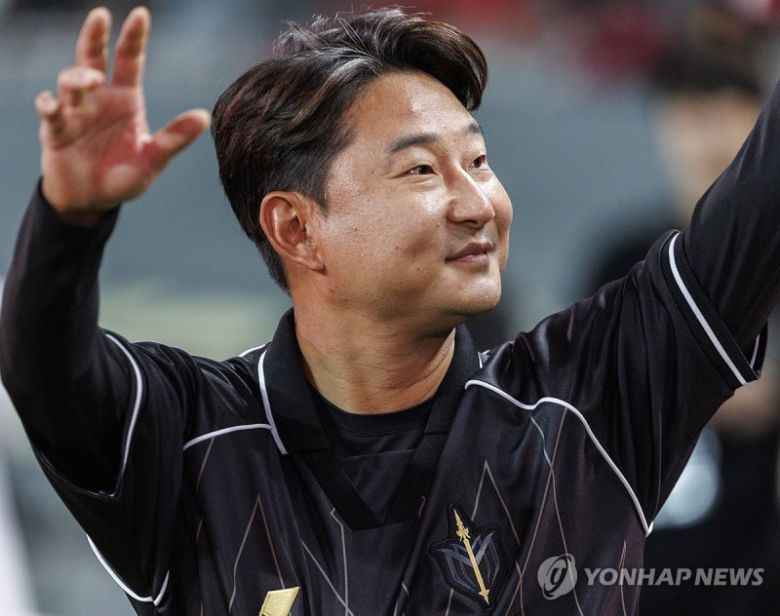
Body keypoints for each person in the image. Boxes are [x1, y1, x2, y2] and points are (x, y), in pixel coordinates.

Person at [0, 6, 777, 615]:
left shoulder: (588, 399)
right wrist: (69, 220)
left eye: (479, 161)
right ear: (296, 228)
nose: (477, 203)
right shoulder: (189, 434)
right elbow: (45, 370)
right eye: (422, 171)